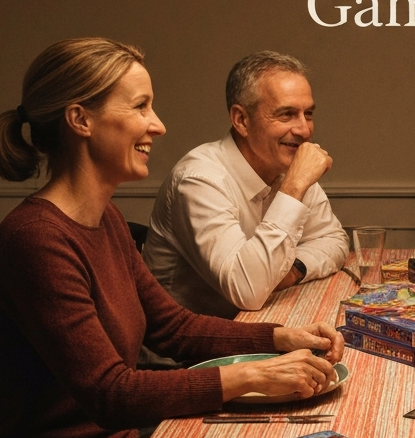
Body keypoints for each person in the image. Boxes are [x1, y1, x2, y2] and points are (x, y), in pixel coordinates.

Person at [0, 38, 344, 438]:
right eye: (140, 106)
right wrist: (249, 376)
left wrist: (279, 337)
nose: (159, 124)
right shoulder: (36, 241)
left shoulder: (105, 220)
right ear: (81, 119)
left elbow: (174, 328)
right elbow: (111, 392)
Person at [144, 51, 349, 318]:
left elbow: (333, 239)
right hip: (183, 353)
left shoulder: (283, 164)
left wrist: (290, 271)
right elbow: (249, 292)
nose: (304, 130)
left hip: (250, 330)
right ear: (241, 120)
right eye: (286, 114)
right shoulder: (199, 180)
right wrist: (295, 186)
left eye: (307, 114)